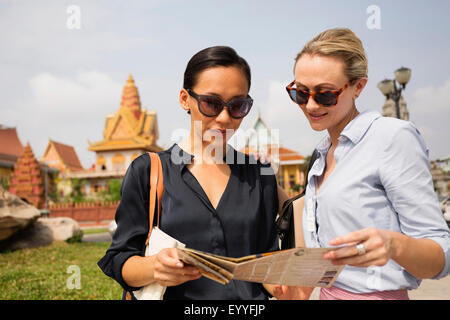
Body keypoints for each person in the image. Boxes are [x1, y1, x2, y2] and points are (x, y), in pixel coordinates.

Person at [98, 46, 289, 300]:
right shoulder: (149, 170)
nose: (224, 118)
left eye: (238, 106)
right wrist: (154, 267)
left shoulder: (261, 176)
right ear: (185, 99)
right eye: (211, 103)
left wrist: (286, 288)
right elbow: (120, 259)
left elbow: (268, 261)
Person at [280, 28, 450, 300]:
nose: (310, 105)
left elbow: (440, 253)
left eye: (325, 94)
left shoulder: (391, 137)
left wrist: (395, 245)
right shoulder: (321, 155)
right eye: (300, 93)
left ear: (359, 86)